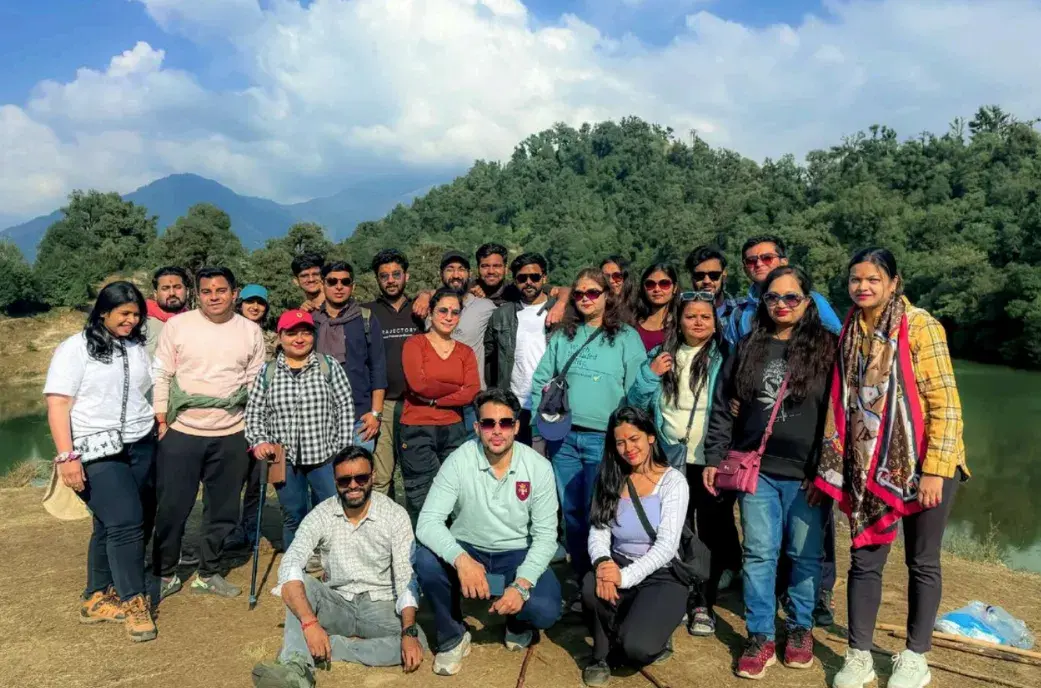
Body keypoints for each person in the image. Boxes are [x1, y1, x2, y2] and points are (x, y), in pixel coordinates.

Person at [818, 249, 970, 688]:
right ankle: (859, 653)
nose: (862, 287)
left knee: (922, 561)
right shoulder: (849, 329)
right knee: (864, 560)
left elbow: (945, 403)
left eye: (872, 279)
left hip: (926, 462)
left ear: (893, 282)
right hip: (869, 466)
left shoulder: (919, 324)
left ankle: (915, 656)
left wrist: (935, 471)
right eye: (855, 280)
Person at [703, 265, 837, 680]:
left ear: (808, 302)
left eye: (791, 297)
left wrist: (828, 472)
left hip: (807, 474)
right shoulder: (749, 346)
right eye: (773, 297)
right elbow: (723, 406)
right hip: (756, 468)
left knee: (803, 554)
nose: (782, 305)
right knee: (759, 553)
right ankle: (760, 634)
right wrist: (714, 456)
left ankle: (800, 629)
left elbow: (841, 416)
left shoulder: (828, 349)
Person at [250, 447, 427, 688]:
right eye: (345, 480)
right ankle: (296, 670)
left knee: (418, 641)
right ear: (335, 481)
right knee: (299, 584)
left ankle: (331, 646)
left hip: (380, 604)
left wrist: (408, 632)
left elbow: (406, 577)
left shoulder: (395, 515)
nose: (353, 485)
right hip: (337, 602)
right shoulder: (321, 514)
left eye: (361, 478)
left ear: (373, 476)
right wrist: (310, 623)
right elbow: (291, 562)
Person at [414, 389, 562, 676]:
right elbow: (428, 522)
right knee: (425, 560)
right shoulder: (459, 460)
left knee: (546, 609)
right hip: (469, 548)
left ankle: (516, 622)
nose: (497, 431)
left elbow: (546, 537)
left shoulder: (539, 468)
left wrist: (521, 585)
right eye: (488, 423)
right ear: (476, 427)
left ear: (517, 427)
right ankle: (453, 636)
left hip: (515, 555)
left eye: (505, 423)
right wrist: (461, 559)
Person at [44, 281, 158, 643]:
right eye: (124, 313)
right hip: (95, 448)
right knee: (126, 521)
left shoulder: (136, 345)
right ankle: (134, 602)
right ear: (103, 312)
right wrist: (67, 456)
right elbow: (58, 403)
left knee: (109, 524)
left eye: (137, 314)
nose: (131, 320)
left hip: (140, 442)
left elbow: (146, 389)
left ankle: (96, 596)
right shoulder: (74, 349)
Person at [625, 290, 737, 636]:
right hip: (670, 457)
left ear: (715, 321)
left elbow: (736, 399)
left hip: (710, 459)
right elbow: (635, 401)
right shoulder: (662, 354)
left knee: (713, 532)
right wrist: (651, 374)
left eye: (705, 316)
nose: (699, 322)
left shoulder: (726, 355)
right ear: (679, 320)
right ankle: (678, 592)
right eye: (691, 316)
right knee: (676, 530)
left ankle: (703, 601)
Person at [152, 266, 266, 600]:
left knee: (223, 508)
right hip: (182, 431)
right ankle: (165, 572)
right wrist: (162, 420)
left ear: (235, 293)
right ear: (196, 294)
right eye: (206, 291)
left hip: (233, 431)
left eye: (220, 291)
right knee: (173, 506)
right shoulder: (178, 326)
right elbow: (162, 374)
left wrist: (255, 428)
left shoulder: (250, 331)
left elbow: (254, 383)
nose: (213, 297)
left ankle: (208, 571)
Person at [530, 268, 645, 595]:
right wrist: (542, 416)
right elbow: (542, 379)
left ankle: (610, 577)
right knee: (573, 512)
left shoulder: (625, 337)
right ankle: (583, 580)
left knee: (605, 511)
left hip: (605, 439)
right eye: (578, 294)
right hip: (564, 438)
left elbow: (637, 390)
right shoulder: (564, 335)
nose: (584, 299)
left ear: (608, 295)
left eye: (592, 292)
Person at [581, 407, 690, 686]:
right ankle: (600, 656)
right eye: (620, 442)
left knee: (637, 649)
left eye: (634, 439)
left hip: (662, 573)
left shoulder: (673, 482)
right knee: (590, 587)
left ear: (650, 437)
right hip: (618, 560)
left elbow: (667, 546)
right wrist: (604, 565)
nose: (628, 448)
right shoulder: (610, 477)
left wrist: (624, 577)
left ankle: (649, 629)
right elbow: (598, 530)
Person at [244, 309, 356, 550]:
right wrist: (260, 441)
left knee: (331, 510)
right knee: (293, 513)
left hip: (325, 456)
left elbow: (345, 407)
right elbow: (255, 413)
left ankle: (332, 563)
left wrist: (342, 450)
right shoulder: (268, 372)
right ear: (280, 336)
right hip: (284, 458)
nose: (299, 338)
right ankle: (295, 569)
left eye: (305, 332)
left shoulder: (329, 366)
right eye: (291, 333)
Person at [399, 288, 481, 518]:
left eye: (455, 312)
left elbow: (472, 390)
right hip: (417, 428)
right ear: (431, 313)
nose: (448, 317)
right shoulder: (415, 344)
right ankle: (424, 552)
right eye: (443, 310)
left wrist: (435, 398)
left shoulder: (465, 352)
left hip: (453, 428)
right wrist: (456, 388)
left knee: (455, 495)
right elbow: (418, 384)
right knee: (422, 495)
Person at [364, 249, 425, 496]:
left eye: (396, 274)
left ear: (406, 276)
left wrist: (427, 295)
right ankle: (382, 531)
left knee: (419, 474)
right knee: (381, 475)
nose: (390, 280)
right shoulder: (366, 312)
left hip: (418, 404)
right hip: (384, 405)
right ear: (377, 280)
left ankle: (419, 530)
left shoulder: (422, 310)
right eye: (384, 276)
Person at [484, 252, 557, 452]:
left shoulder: (560, 312)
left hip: (549, 404)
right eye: (522, 278)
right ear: (515, 281)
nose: (528, 282)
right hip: (513, 404)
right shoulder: (501, 315)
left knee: (546, 465)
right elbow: (490, 359)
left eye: (534, 277)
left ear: (544, 278)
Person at [225, 282, 278, 553]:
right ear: (240, 304)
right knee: (232, 479)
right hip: (232, 418)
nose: (255, 307)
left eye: (260, 303)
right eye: (249, 302)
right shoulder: (227, 334)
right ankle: (227, 531)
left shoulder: (275, 338)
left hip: (266, 421)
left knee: (258, 480)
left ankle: (250, 530)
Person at [312, 260, 386, 454]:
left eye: (345, 282)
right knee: (325, 482)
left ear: (352, 286)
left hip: (359, 419)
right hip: (318, 419)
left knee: (358, 480)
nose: (339, 287)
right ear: (323, 284)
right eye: (332, 281)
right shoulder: (312, 322)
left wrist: (376, 414)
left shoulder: (365, 319)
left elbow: (378, 367)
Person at [725, 235, 842, 343]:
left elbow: (838, 341)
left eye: (767, 258)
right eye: (751, 261)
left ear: (784, 262)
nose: (759, 264)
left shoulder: (811, 301)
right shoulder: (739, 315)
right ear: (745, 269)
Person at [685, 246, 738, 327]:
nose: (707, 281)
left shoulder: (742, 311)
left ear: (724, 275)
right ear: (692, 277)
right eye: (700, 276)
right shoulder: (681, 314)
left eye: (714, 275)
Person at [145, 266, 191, 356]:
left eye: (177, 287)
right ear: (155, 294)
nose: (172, 293)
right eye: (165, 288)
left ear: (187, 291)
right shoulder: (139, 322)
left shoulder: (194, 322)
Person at [634, 263, 679, 351]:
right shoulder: (631, 323)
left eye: (664, 284)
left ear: (675, 287)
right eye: (650, 284)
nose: (657, 289)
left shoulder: (681, 325)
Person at [600, 255, 636, 325]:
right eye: (605, 277)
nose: (610, 281)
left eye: (617, 276)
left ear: (625, 277)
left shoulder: (638, 307)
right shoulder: (597, 308)